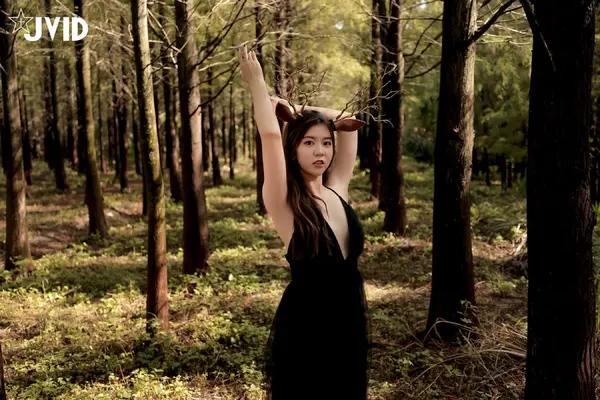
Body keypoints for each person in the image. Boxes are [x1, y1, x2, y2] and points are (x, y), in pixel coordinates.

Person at [238, 45, 371, 400]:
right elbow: (270, 134)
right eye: (309, 142)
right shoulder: (284, 202)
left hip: (349, 323)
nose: (320, 151)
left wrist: (301, 111)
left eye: (326, 142)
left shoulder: (338, 188)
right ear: (293, 148)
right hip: (306, 330)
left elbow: (350, 121)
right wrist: (259, 86)